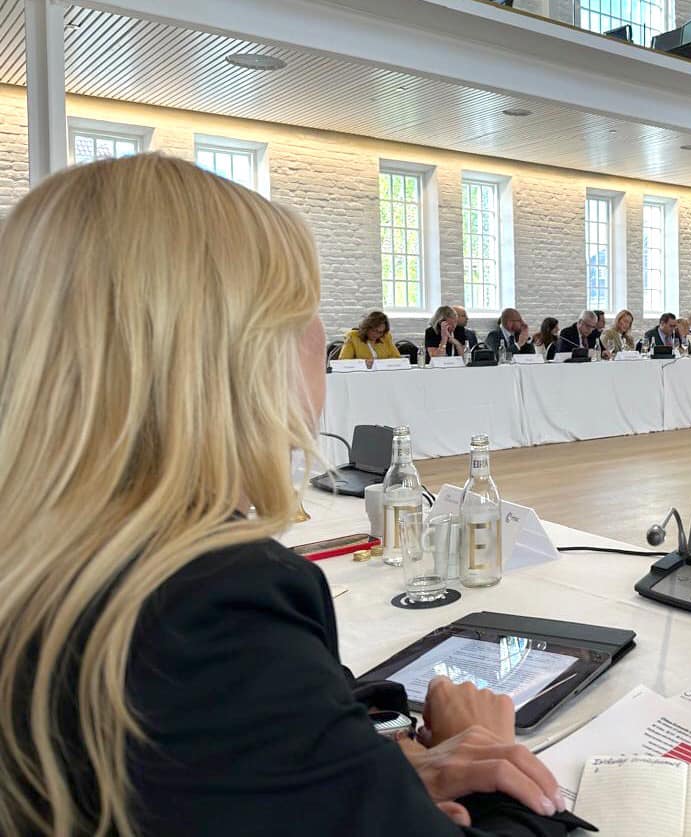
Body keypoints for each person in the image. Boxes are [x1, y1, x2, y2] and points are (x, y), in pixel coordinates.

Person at [0, 155, 580, 837]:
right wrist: (489, 762)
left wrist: (370, 766)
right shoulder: (210, 609)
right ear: (237, 356)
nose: (317, 338)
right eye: (304, 313)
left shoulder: (50, 563)